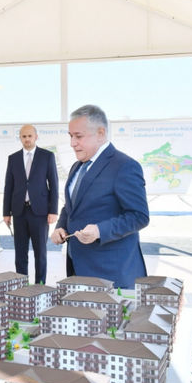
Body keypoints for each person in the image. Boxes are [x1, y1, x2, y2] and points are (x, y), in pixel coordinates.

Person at [50, 105, 149, 289]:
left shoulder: (124, 166)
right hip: (78, 269)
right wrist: (60, 227)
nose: (72, 143)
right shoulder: (77, 167)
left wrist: (99, 231)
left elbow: (139, 216)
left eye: (78, 136)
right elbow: (72, 207)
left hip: (111, 274)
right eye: (70, 136)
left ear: (101, 134)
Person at [3, 125, 59, 284]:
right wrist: (6, 212)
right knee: (20, 253)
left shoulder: (47, 156)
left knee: (40, 252)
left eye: (29, 136)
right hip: (19, 212)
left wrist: (53, 211)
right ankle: (21, 286)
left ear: (36, 137)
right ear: (20, 138)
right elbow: (8, 187)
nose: (27, 139)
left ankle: (40, 286)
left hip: (40, 212)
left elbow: (54, 185)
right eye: (24, 136)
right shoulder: (13, 158)